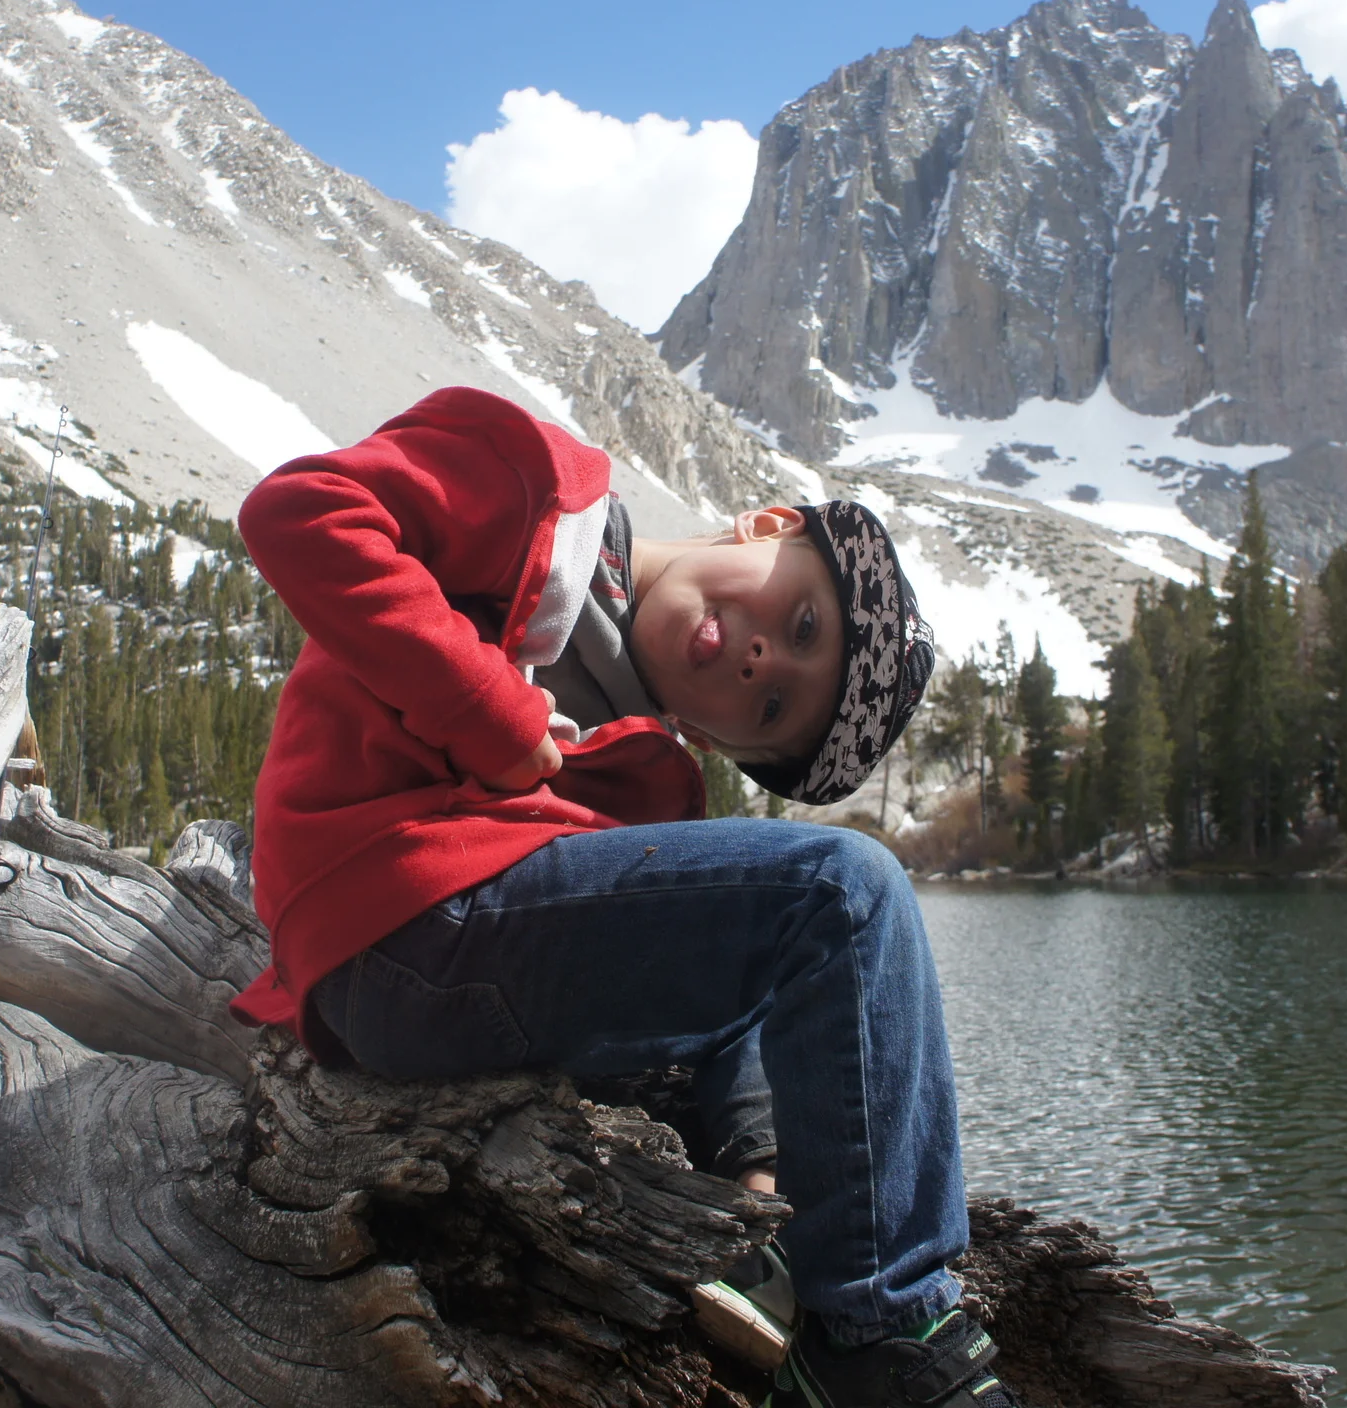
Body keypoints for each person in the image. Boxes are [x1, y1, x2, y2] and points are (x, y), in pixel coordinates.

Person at [228, 386, 1015, 1408]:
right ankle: (878, 1331)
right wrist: (486, 708)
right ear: (770, 525)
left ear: (727, 743)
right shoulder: (535, 492)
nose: (758, 654)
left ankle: (772, 1222)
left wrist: (760, 1154)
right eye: (801, 617)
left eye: (771, 704)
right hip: (393, 907)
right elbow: (298, 510)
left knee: (766, 940)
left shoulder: (655, 784)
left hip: (446, 970)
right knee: (843, 887)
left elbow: (706, 990)